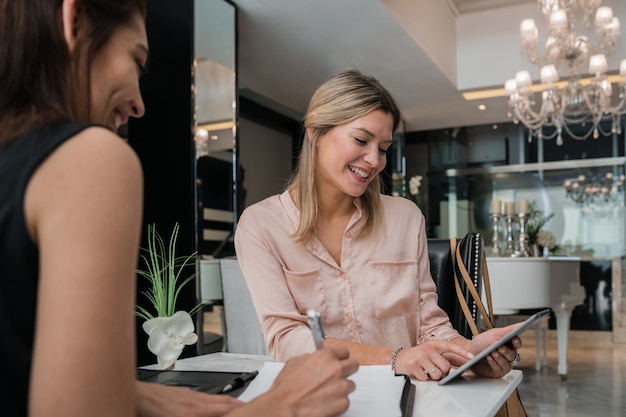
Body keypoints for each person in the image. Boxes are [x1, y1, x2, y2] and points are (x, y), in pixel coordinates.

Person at [0, 2, 357, 417]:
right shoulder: (88, 157)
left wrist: (130, 393)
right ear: (73, 19)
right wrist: (280, 407)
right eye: (136, 59)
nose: (138, 104)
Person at [234, 69, 522, 382]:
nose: (374, 161)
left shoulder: (406, 218)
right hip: (321, 399)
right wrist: (397, 358)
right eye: (361, 140)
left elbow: (430, 327)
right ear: (315, 130)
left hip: (409, 398)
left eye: (383, 148)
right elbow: (287, 341)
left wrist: (470, 354)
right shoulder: (260, 226)